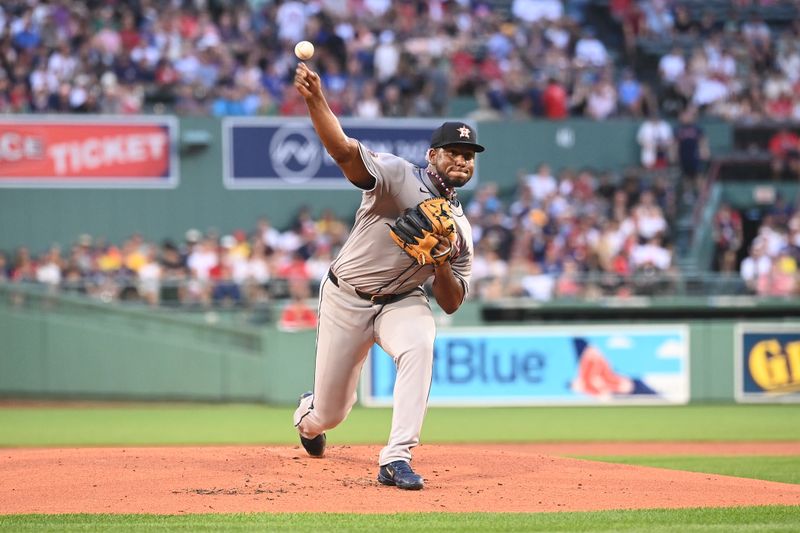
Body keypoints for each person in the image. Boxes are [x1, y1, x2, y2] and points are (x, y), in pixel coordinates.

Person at [291, 62, 481, 491]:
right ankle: (308, 418)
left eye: (468, 156)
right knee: (330, 413)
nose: (461, 160)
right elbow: (342, 151)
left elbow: (451, 302)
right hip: (347, 297)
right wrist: (315, 99)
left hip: (403, 300)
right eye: (453, 151)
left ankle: (396, 457)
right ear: (432, 155)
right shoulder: (396, 177)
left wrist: (441, 262)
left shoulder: (461, 229)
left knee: (420, 345)